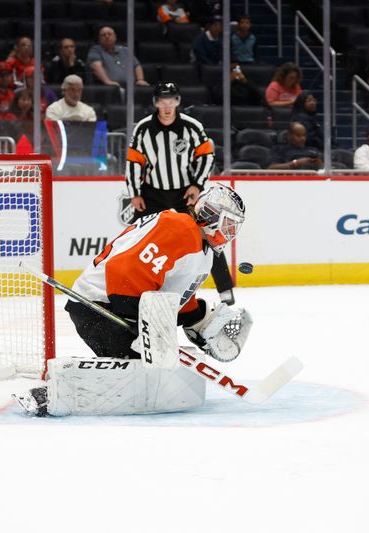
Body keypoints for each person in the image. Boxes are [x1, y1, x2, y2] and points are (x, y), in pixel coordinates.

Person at [14, 184, 250, 417]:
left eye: (233, 227)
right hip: (99, 306)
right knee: (142, 373)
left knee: (160, 373)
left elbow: (173, 294)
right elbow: (123, 270)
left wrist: (198, 319)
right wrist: (135, 320)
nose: (229, 233)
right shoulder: (180, 228)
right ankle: (52, 392)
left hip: (117, 304)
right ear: (210, 215)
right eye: (227, 224)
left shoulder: (203, 251)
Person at [127, 82, 236, 305]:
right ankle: (126, 286)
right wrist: (134, 193)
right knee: (133, 238)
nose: (167, 107)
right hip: (152, 195)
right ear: (155, 103)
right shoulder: (143, 128)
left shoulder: (191, 126)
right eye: (162, 102)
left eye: (172, 101)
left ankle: (225, 290)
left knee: (208, 236)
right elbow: (134, 161)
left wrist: (197, 185)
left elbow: (207, 156)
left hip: (185, 194)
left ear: (177, 102)